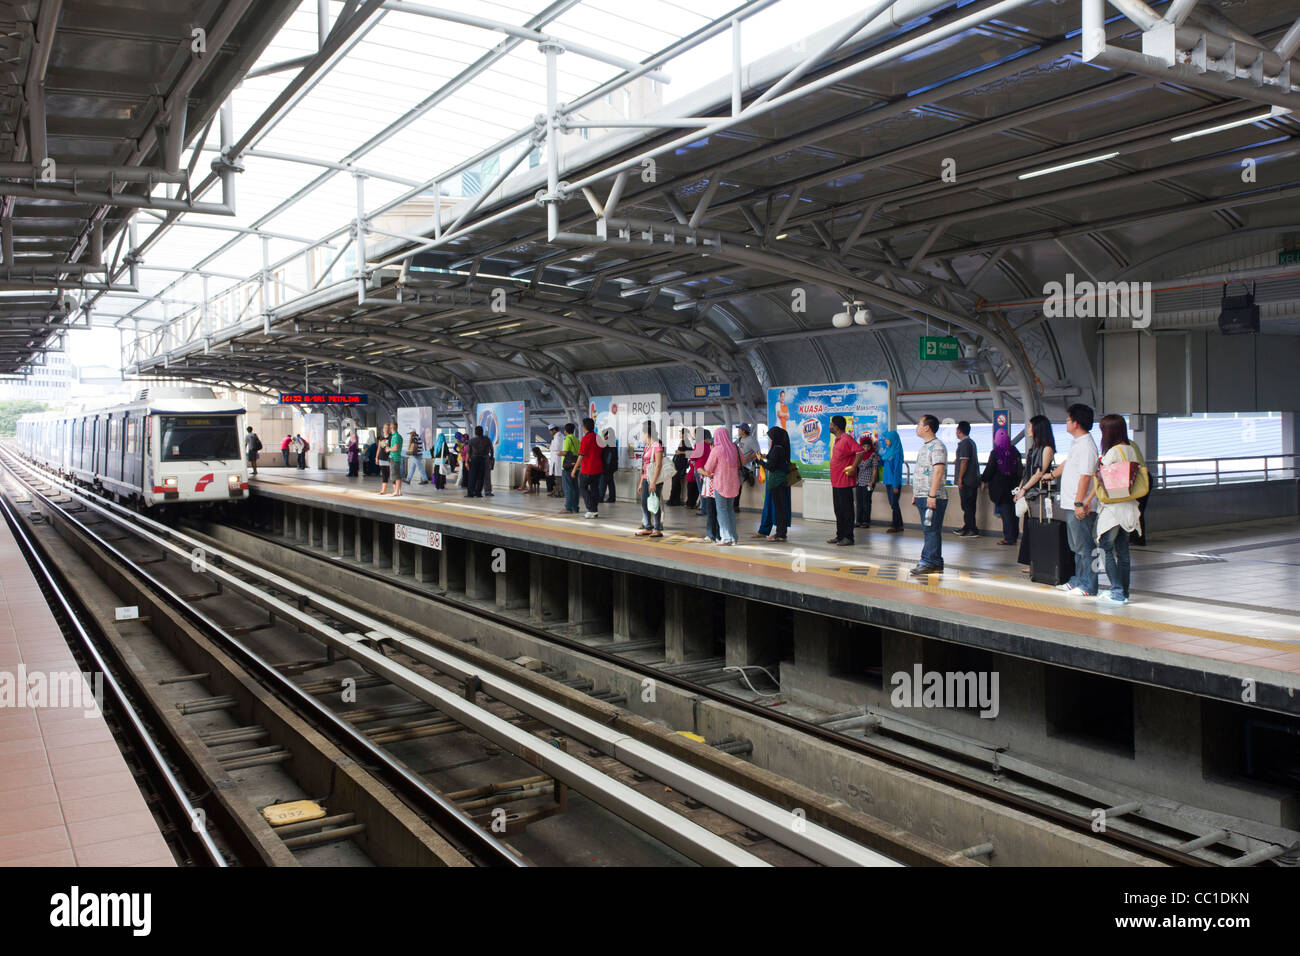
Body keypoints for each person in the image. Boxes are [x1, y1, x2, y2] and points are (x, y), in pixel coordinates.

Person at [1048, 403, 1099, 596]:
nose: (1066, 423)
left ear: (1076, 423)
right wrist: (1051, 475)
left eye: (1068, 419)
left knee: (1085, 546)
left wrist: (1079, 503)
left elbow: (1086, 476)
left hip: (1080, 505)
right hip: (1071, 503)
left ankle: (1089, 585)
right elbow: (1069, 464)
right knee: (1076, 546)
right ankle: (1078, 580)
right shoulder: (1077, 443)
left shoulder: (1086, 445)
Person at [1091, 413, 1141, 605]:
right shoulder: (1131, 450)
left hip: (1113, 509)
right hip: (1128, 506)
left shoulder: (1112, 453)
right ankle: (1124, 592)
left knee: (1105, 547)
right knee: (1123, 551)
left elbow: (1102, 478)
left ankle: (1117, 590)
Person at [1013, 415, 1058, 573]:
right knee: (1029, 528)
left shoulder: (1047, 449)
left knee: (1039, 527)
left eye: (1030, 426)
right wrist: (1020, 489)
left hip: (1040, 495)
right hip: (1029, 493)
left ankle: (1039, 562)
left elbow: (1039, 473)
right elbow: (1027, 472)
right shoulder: (1033, 448)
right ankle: (1032, 561)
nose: (1028, 430)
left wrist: (1024, 489)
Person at [910, 414, 948, 575]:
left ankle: (927, 561)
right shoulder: (925, 446)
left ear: (927, 427)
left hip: (932, 496)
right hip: (922, 495)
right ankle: (936, 562)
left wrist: (931, 496)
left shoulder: (937, 446)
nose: (917, 427)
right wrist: (916, 493)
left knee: (930, 529)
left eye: (919, 424)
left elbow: (938, 470)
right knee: (930, 529)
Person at [697, 427, 741, 544]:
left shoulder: (716, 450)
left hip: (721, 484)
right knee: (730, 510)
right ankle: (733, 537)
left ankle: (726, 537)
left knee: (721, 511)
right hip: (733, 484)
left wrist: (703, 471)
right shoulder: (735, 448)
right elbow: (740, 462)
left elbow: (708, 468)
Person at [980, 429, 1022, 545]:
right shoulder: (1015, 451)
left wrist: (983, 480)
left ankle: (1009, 538)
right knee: (1014, 514)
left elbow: (990, 469)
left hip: (1000, 489)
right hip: (1014, 487)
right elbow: (1019, 470)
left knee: (1006, 513)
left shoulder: (995, 453)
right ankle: (1013, 536)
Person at [827, 416, 863, 546]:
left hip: (844, 482)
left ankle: (848, 537)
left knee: (846, 511)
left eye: (831, 424)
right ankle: (840, 535)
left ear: (836, 426)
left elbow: (860, 451)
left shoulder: (847, 439)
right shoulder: (837, 440)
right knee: (838, 510)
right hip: (836, 482)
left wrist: (854, 467)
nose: (829, 426)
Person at [757, 426, 791, 541]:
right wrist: (766, 457)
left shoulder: (776, 448)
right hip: (782, 482)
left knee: (779, 510)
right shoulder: (782, 448)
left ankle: (780, 534)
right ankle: (782, 533)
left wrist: (759, 460)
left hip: (777, 483)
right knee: (781, 509)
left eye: (770, 437)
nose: (770, 440)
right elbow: (775, 461)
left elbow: (771, 467)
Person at [635, 420, 666, 537]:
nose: (641, 436)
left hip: (654, 480)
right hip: (645, 479)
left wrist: (653, 482)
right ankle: (648, 527)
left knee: (654, 503)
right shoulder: (647, 447)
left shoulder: (657, 446)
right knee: (644, 503)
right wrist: (640, 483)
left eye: (642, 433)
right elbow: (644, 466)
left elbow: (658, 465)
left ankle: (657, 528)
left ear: (647, 434)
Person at [952, 421, 979, 536]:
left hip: (967, 480)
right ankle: (967, 526)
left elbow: (964, 461)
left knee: (967, 504)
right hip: (973, 479)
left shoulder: (964, 443)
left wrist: (960, 478)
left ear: (959, 431)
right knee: (969, 505)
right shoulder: (971, 442)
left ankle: (971, 529)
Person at [574, 417, 603, 518]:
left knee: (583, 487)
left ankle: (591, 509)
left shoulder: (585, 439)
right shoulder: (598, 437)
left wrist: (574, 469)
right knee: (595, 488)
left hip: (587, 469)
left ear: (584, 427)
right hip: (598, 469)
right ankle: (594, 510)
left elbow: (581, 455)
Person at [879, 429, 904, 532]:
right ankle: (899, 524)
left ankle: (896, 525)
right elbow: (884, 463)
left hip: (894, 483)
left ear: (893, 440)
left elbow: (897, 470)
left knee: (894, 504)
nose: (886, 441)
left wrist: (895, 485)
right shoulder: (889, 450)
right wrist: (879, 460)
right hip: (888, 481)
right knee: (893, 504)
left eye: (887, 439)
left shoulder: (897, 452)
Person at [854, 433, 880, 529]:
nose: (866, 448)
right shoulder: (859, 455)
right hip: (859, 482)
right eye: (864, 446)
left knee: (866, 502)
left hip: (868, 482)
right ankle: (858, 521)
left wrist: (872, 482)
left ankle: (866, 521)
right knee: (859, 502)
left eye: (868, 446)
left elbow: (875, 469)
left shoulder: (873, 455)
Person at [735, 423, 760, 513]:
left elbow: (757, 452)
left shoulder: (751, 440)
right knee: (735, 483)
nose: (738, 430)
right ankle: (734, 505)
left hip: (746, 466)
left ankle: (735, 505)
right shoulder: (740, 439)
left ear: (744, 431)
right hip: (738, 465)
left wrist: (747, 459)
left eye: (739, 429)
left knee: (738, 484)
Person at [560, 423, 580, 513]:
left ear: (566, 431)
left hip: (567, 467)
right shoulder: (577, 439)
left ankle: (568, 508)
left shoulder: (567, 439)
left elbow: (565, 452)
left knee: (568, 488)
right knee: (575, 488)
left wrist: (558, 453)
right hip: (576, 466)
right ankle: (575, 507)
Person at [467, 425, 492, 497]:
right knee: (484, 476)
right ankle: (481, 492)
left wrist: (466, 461)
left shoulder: (472, 440)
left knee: (472, 476)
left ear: (475, 432)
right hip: (485, 459)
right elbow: (491, 449)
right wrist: (492, 458)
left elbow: (468, 452)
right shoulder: (487, 439)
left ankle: (471, 493)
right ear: (482, 431)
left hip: (474, 459)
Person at [668, 437, 689, 506]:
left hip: (680, 467)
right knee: (676, 484)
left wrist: (681, 452)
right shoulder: (682, 442)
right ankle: (675, 501)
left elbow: (691, 453)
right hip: (677, 466)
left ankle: (672, 500)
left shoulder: (686, 442)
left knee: (675, 484)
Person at [600, 429, 618, 504]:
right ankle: (612, 498)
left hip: (607, 466)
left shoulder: (607, 444)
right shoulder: (613, 443)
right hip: (612, 466)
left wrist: (605, 467)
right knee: (610, 482)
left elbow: (607, 457)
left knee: (603, 482)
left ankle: (600, 497)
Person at [387, 422, 404, 497]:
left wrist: (388, 449)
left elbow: (396, 448)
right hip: (396, 457)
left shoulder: (396, 436)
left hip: (394, 457)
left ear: (391, 428)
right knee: (397, 475)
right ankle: (399, 491)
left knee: (395, 476)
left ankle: (396, 491)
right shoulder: (397, 436)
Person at [547, 424, 564, 497]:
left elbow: (558, 447)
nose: (550, 432)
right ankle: (557, 491)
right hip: (555, 459)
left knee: (558, 478)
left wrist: (550, 447)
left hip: (557, 459)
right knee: (556, 477)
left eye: (550, 431)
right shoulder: (556, 436)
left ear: (554, 430)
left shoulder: (559, 436)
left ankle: (559, 492)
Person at [376, 423, 392, 494]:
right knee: (384, 474)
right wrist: (376, 457)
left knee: (391, 474)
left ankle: (396, 490)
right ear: (383, 429)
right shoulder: (381, 438)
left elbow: (391, 447)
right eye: (385, 428)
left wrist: (387, 445)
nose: (386, 429)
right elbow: (379, 448)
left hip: (389, 458)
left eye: (387, 428)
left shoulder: (391, 437)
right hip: (382, 457)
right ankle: (383, 490)